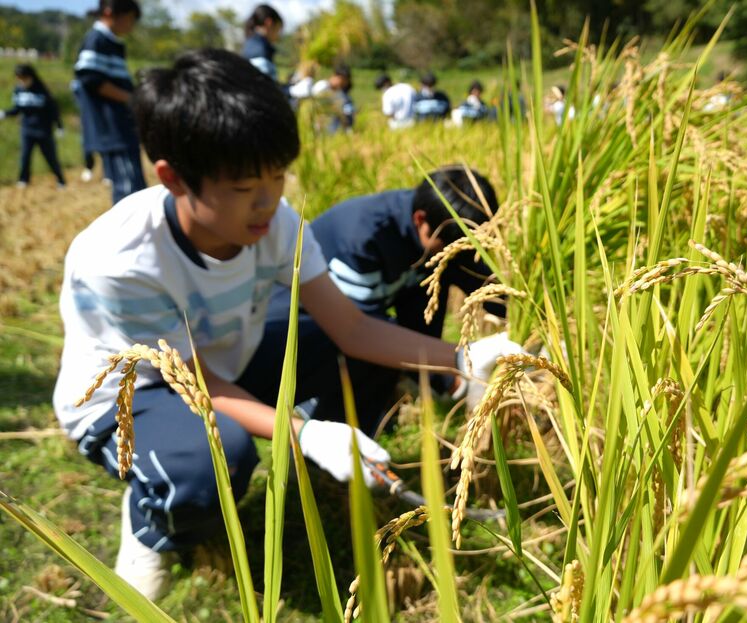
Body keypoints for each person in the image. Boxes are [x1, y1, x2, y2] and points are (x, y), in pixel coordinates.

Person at [52, 48, 523, 600]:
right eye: (244, 186)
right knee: (219, 455)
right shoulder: (123, 260)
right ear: (174, 178)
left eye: (278, 177)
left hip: (226, 361)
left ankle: (343, 467)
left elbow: (353, 328)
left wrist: (459, 358)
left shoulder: (275, 223)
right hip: (133, 395)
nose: (268, 201)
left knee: (352, 349)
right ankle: (153, 525)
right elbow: (192, 380)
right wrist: (306, 431)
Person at [310, 166, 505, 403]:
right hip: (319, 323)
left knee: (440, 272)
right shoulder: (362, 243)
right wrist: (456, 368)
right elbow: (361, 334)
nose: (456, 253)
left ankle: (426, 379)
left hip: (379, 302)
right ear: (420, 220)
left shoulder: (443, 228)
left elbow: (486, 288)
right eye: (452, 246)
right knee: (374, 362)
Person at [73, 0, 146, 204]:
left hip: (123, 125)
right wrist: (130, 99)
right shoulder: (97, 40)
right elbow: (90, 79)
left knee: (136, 185)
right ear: (109, 12)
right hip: (112, 127)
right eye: (130, 19)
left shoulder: (112, 42)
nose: (131, 25)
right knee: (128, 190)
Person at [0, 64, 66, 188]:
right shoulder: (18, 90)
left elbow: (53, 110)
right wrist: (4, 113)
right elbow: (17, 109)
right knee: (25, 156)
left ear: (31, 77)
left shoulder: (42, 91)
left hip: (43, 130)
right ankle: (24, 179)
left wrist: (59, 126)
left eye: (23, 78)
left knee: (50, 157)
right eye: (19, 79)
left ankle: (60, 180)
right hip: (27, 129)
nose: (21, 81)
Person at [291, 64, 355, 133]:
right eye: (341, 79)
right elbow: (311, 104)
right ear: (335, 76)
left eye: (344, 81)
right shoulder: (322, 86)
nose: (341, 83)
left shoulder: (341, 95)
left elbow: (344, 115)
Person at [242, 4, 282, 81]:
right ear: (269, 23)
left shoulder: (250, 44)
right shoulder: (260, 52)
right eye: (278, 30)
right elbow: (265, 89)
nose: (279, 36)